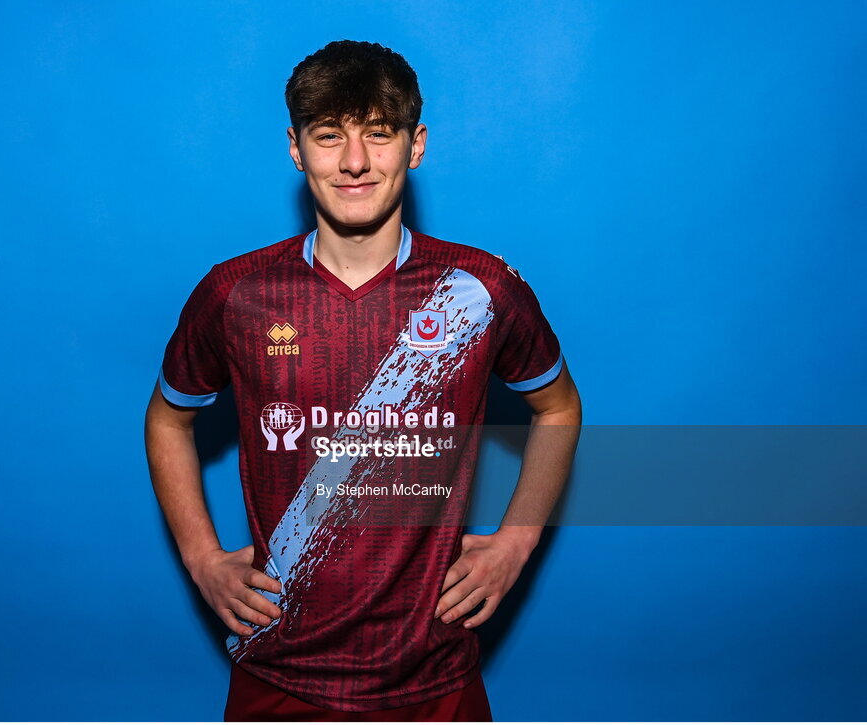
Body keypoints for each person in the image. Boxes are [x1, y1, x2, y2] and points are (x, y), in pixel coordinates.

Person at [144, 40, 583, 721]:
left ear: (416, 146)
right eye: (329, 137)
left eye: (379, 135)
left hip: (434, 675)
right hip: (279, 674)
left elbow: (556, 408)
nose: (354, 162)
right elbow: (169, 418)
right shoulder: (237, 293)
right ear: (296, 148)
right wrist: (203, 558)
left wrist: (516, 539)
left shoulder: (477, 290)